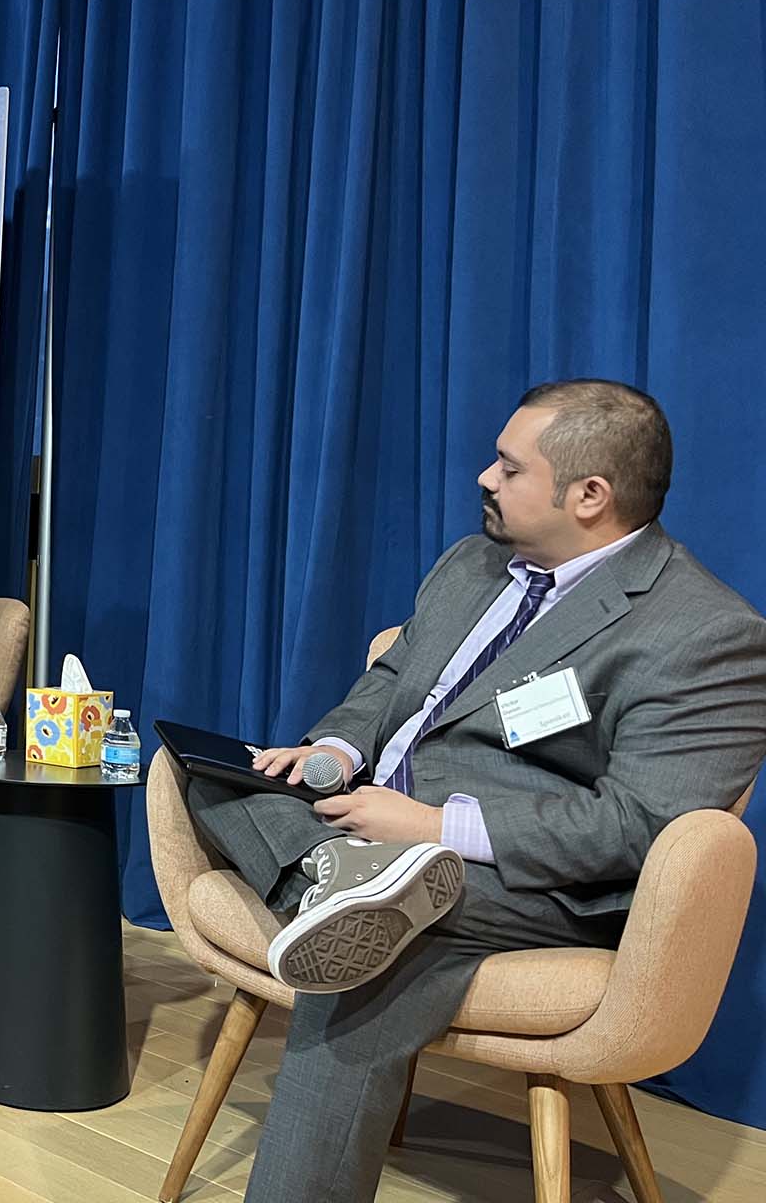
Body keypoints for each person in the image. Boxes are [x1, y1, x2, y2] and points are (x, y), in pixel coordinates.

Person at [181, 380, 766, 1203]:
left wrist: (433, 826)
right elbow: (393, 676)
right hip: (370, 823)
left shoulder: (706, 634)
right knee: (205, 769)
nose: (486, 479)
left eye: (508, 465)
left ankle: (353, 888)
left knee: (369, 963)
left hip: (523, 878)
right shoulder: (473, 562)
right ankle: (334, 875)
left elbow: (642, 826)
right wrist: (335, 749)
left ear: (590, 495)